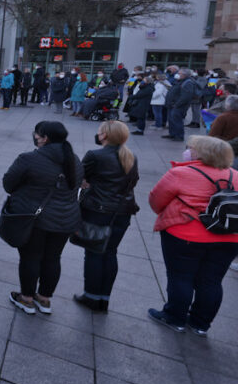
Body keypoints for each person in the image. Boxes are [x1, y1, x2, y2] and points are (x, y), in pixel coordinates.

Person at [147, 136, 238, 335]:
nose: (188, 150)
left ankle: (175, 317)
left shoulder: (181, 173)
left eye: (191, 148)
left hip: (186, 234)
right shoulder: (235, 175)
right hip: (228, 238)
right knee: (212, 281)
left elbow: (156, 200)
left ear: (199, 153)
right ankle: (200, 324)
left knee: (181, 276)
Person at [4, 121, 83, 315]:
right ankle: (44, 299)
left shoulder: (29, 159)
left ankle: (27, 298)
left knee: (30, 257)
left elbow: (8, 184)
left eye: (37, 133)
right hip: (66, 219)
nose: (35, 136)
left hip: (36, 219)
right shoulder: (74, 160)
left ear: (45, 138)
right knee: (53, 258)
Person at [73, 121, 139, 312]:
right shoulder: (131, 156)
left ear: (105, 136)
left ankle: (91, 296)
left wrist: (86, 183)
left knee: (94, 253)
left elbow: (78, 176)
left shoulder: (96, 155)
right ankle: (103, 298)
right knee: (110, 253)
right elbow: (133, 181)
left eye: (100, 132)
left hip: (98, 211)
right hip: (122, 212)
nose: (98, 134)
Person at [164, 68, 197, 142]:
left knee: (177, 121)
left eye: (179, 73)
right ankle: (172, 134)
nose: (177, 75)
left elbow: (186, 96)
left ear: (185, 75)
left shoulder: (188, 82)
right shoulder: (179, 81)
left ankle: (179, 136)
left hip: (178, 106)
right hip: (172, 104)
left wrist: (177, 104)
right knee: (171, 120)